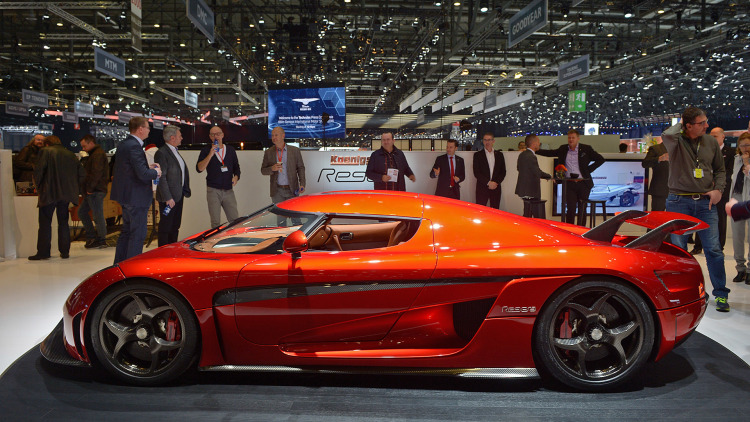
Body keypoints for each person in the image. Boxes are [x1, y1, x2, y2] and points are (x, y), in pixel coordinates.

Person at [662, 106, 729, 312]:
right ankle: (686, 293)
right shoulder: (676, 140)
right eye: (701, 123)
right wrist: (682, 123)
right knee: (679, 251)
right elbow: (667, 134)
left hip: (705, 203)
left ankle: (721, 294)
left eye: (706, 121)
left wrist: (718, 190)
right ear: (688, 125)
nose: (707, 126)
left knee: (713, 249)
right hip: (678, 202)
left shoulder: (710, 142)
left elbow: (720, 170)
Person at [111, 116, 162, 264]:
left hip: (126, 196)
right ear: (140, 129)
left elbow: (129, 169)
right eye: (147, 128)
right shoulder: (134, 146)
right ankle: (132, 267)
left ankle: (119, 265)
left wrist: (147, 168)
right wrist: (156, 172)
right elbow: (143, 174)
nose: (149, 131)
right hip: (136, 197)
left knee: (127, 232)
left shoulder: (124, 144)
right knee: (137, 234)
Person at [28, 136, 85, 260]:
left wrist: (38, 187)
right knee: (63, 222)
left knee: (45, 223)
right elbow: (81, 174)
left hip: (48, 193)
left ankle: (43, 252)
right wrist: (74, 189)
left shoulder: (45, 151)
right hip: (66, 194)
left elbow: (39, 172)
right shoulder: (70, 154)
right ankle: (65, 252)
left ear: (47, 144)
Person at [537, 129, 604, 225]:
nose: (571, 140)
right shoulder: (563, 149)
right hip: (569, 183)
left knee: (582, 208)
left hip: (583, 183)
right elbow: (550, 153)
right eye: (569, 138)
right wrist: (535, 150)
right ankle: (569, 229)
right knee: (570, 208)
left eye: (573, 138)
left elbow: (600, 159)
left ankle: (581, 230)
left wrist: (588, 170)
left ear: (578, 138)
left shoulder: (586, 149)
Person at [692, 127, 733, 254]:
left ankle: (719, 247)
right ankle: (698, 246)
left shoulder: (731, 152)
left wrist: (717, 183)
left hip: (721, 191)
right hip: (704, 189)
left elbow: (729, 172)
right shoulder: (705, 151)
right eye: (711, 136)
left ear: (723, 137)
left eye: (715, 136)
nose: (712, 138)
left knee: (720, 219)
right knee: (701, 217)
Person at [196, 126, 241, 228]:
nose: (215, 136)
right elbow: (199, 169)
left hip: (228, 190)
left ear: (222, 135)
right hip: (213, 190)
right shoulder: (206, 150)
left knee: (235, 220)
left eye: (218, 134)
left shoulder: (230, 150)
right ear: (210, 137)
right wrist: (210, 154)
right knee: (215, 222)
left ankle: (235, 238)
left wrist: (236, 177)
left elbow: (236, 168)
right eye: (213, 135)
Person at [154, 125, 191, 246]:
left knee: (175, 226)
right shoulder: (162, 153)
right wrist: (168, 197)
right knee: (166, 227)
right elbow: (161, 177)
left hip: (178, 196)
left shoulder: (174, 151)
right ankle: (163, 252)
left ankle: (172, 250)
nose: (182, 138)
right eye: (180, 136)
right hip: (169, 198)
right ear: (172, 138)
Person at [726, 133, 750, 284]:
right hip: (737, 199)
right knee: (737, 236)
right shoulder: (736, 159)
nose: (744, 148)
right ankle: (740, 268)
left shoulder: (745, 160)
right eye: (742, 145)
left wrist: (747, 163)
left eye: (747, 145)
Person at [78, 134, 109, 249]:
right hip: (94, 190)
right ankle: (93, 237)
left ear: (91, 143)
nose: (83, 149)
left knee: (97, 215)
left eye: (84, 146)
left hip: (95, 190)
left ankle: (101, 239)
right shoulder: (95, 154)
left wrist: (90, 188)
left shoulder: (97, 154)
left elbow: (96, 173)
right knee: (83, 212)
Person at [260, 126, 306, 203]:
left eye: (276, 135)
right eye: (272, 135)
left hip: (292, 190)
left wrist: (302, 184)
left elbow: (300, 168)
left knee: (292, 211)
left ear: (283, 136)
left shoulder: (294, 151)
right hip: (277, 191)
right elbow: (263, 170)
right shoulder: (268, 152)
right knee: (279, 211)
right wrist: (272, 169)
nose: (274, 137)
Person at [515, 134, 552, 216]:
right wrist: (549, 176)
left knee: (527, 214)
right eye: (538, 142)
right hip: (531, 191)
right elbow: (537, 172)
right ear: (534, 143)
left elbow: (518, 168)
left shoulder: (522, 154)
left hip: (524, 190)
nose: (539, 144)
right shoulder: (531, 156)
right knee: (535, 217)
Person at [473, 132, 506, 208]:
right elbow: (476, 172)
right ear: (483, 141)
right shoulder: (477, 155)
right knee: (480, 210)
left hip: (496, 187)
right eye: (485, 140)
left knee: (495, 210)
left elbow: (503, 172)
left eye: (489, 140)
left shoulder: (499, 155)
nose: (487, 142)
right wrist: (488, 183)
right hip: (482, 188)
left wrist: (495, 183)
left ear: (493, 141)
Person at [642, 139, 669, 211]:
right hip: (660, 190)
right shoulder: (656, 149)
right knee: (657, 215)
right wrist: (659, 159)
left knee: (676, 216)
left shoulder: (679, 149)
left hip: (678, 191)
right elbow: (645, 163)